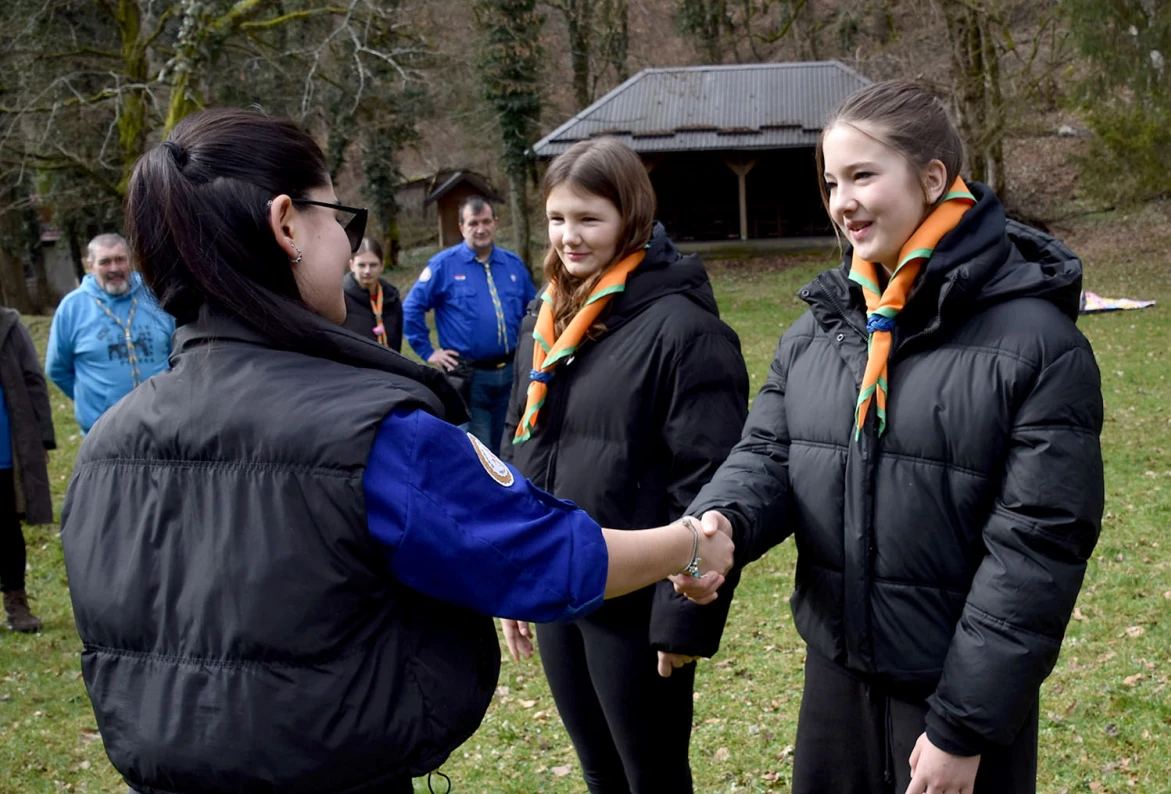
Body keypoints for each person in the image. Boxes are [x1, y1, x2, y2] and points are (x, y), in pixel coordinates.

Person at [58, 108, 733, 794]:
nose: (350, 244)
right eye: (339, 219)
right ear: (287, 223)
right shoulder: (374, 435)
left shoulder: (105, 451)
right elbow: (548, 554)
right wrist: (688, 546)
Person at [673, 80, 1104, 794]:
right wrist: (722, 521)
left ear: (932, 179)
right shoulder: (820, 328)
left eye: (864, 175)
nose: (842, 201)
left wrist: (962, 725)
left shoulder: (1040, 346)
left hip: (953, 703)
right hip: (836, 681)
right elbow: (769, 457)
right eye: (832, 180)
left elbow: (1036, 551)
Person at [497, 137, 750, 794]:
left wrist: (683, 617)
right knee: (599, 772)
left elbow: (710, 482)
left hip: (637, 600)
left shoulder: (684, 330)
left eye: (589, 219)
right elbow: (517, 451)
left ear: (632, 217)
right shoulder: (543, 316)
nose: (569, 237)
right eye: (557, 218)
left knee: (653, 777)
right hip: (557, 584)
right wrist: (512, 575)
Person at [402, 196, 537, 451]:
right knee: (480, 448)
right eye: (473, 223)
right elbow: (411, 309)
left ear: (495, 223)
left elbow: (534, 312)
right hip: (470, 378)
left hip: (512, 374)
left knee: (510, 443)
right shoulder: (444, 265)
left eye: (486, 221)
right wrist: (429, 352)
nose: (481, 228)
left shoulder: (513, 264)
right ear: (462, 227)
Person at [45, 233, 175, 434]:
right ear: (90, 266)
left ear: (130, 262)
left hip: (163, 423)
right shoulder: (72, 308)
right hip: (103, 431)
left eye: (120, 260)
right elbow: (57, 369)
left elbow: (178, 353)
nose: (114, 268)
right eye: (105, 262)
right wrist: (90, 399)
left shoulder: (155, 297)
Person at [0, 308, 56, 633]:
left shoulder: (9, 325)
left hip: (6, 451)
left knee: (6, 530)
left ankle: (16, 602)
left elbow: (34, 379)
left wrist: (43, 437)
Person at [342, 237, 404, 351]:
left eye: (373, 265)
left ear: (382, 265)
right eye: (362, 265)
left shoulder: (392, 298)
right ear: (351, 265)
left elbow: (397, 341)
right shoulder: (340, 298)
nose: (367, 271)